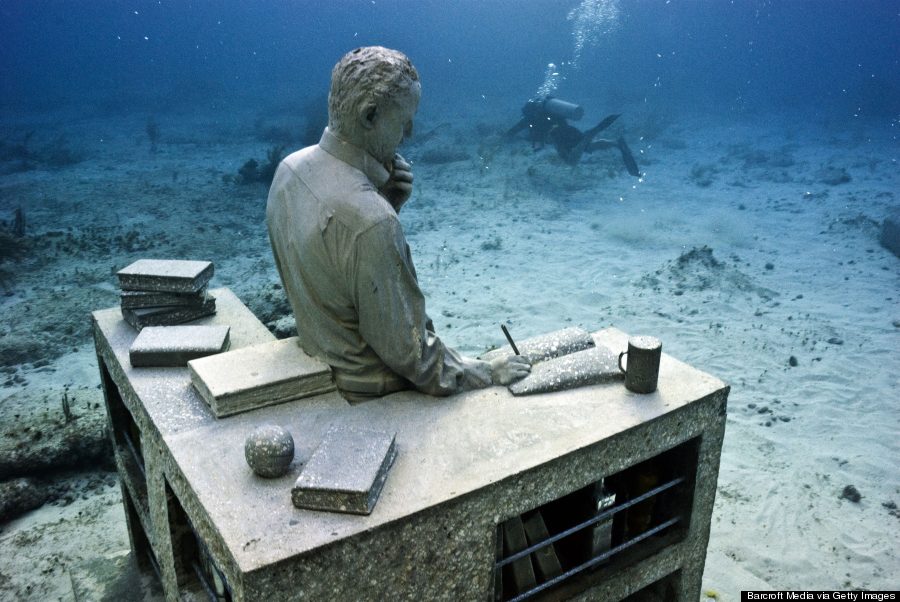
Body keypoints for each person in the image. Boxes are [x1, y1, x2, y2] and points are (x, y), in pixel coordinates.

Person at [266, 46, 530, 402]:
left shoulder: (289, 170)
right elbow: (411, 355)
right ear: (370, 114)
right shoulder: (371, 223)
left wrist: (384, 202)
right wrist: (484, 372)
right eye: (404, 118)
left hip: (321, 353)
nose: (409, 132)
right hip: (368, 389)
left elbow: (337, 271)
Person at [506, 95, 641, 176]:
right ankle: (616, 142)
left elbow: (516, 133)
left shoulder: (530, 120)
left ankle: (590, 135)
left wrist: (506, 138)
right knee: (589, 147)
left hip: (557, 136)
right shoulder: (551, 113)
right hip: (570, 131)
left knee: (571, 161)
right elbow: (561, 124)